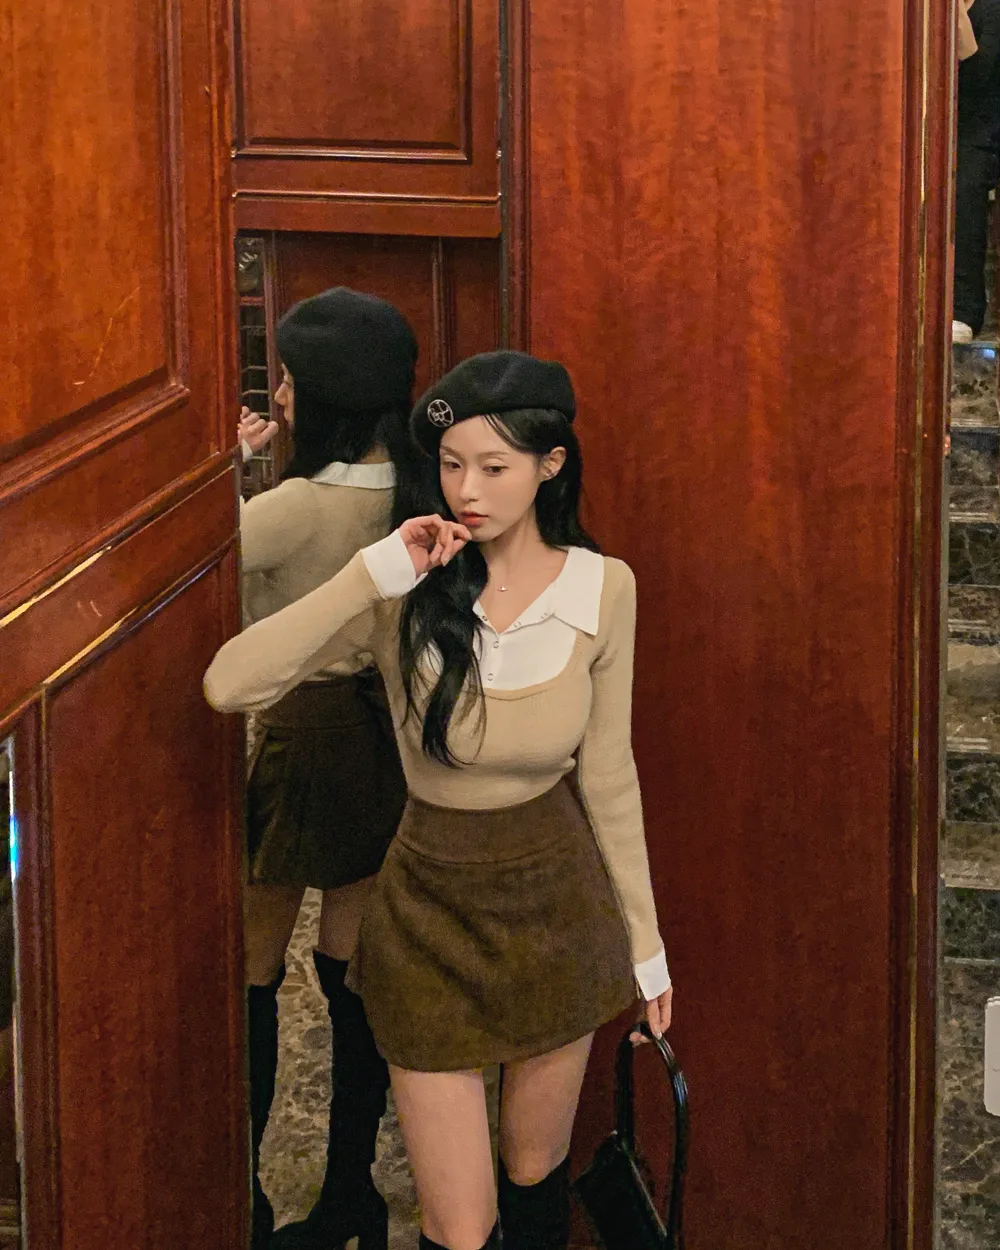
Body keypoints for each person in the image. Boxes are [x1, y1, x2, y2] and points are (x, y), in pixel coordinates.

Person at [205, 351, 674, 1250]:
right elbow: (230, 684)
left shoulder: (603, 587)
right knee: (458, 1228)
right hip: (427, 907)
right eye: (452, 465)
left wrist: (646, 947)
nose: (468, 490)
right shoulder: (405, 588)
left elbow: (610, 774)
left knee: (534, 1180)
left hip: (556, 904)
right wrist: (367, 573)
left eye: (494, 467)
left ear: (551, 464)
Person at [233, 287, 430, 1250]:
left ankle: (245, 1201)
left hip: (303, 735)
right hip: (382, 740)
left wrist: (235, 470)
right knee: (348, 972)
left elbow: (192, 579)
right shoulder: (416, 495)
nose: (277, 394)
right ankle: (352, 1193)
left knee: (253, 971)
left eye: (286, 381)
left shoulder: (295, 506)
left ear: (318, 397)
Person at [954, 0, 1000, 343]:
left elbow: (981, 74)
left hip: (979, 128)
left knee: (965, 183)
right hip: (934, 123)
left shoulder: (993, 8)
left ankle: (964, 308)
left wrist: (954, 15)